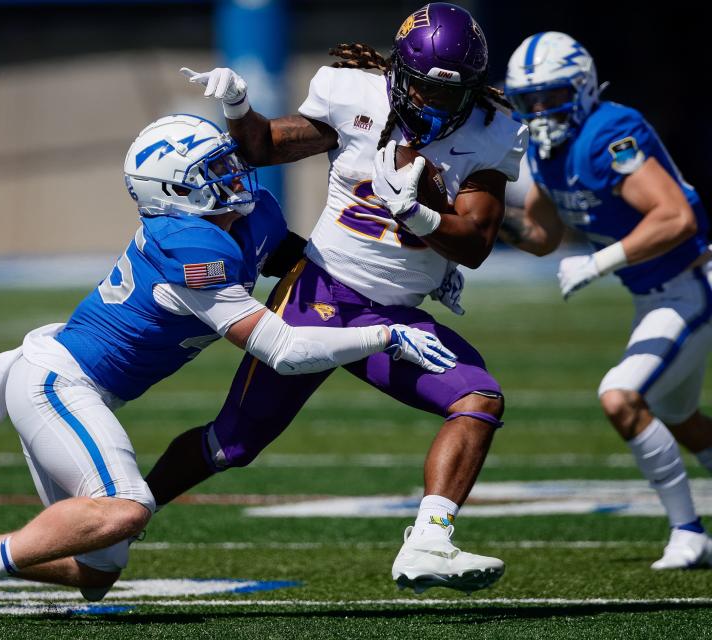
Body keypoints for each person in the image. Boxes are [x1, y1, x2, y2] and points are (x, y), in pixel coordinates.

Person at [0, 114, 456, 626]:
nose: (235, 172)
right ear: (175, 192)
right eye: (215, 168)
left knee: (96, 571)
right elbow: (280, 348)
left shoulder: (252, 214)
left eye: (228, 160)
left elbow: (303, 263)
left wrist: (416, 267)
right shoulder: (185, 244)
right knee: (128, 507)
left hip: (77, 387)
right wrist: (384, 336)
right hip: (55, 383)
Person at [144, 2, 528, 595]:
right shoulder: (354, 94)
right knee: (232, 443)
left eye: (451, 95)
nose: (434, 105)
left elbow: (476, 242)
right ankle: (121, 517)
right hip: (318, 293)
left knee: (479, 397)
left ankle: (429, 541)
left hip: (398, 315)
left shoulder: (491, 129)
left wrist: (420, 216)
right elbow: (265, 146)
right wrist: (239, 108)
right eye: (424, 88)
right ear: (399, 73)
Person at [502, 32, 712, 569]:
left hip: (694, 280)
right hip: (655, 294)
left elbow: (676, 217)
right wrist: (447, 221)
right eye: (531, 101)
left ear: (582, 87)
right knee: (677, 414)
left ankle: (688, 533)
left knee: (620, 397)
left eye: (551, 97)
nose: (541, 111)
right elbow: (540, 236)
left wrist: (599, 261)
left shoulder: (608, 133)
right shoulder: (548, 152)